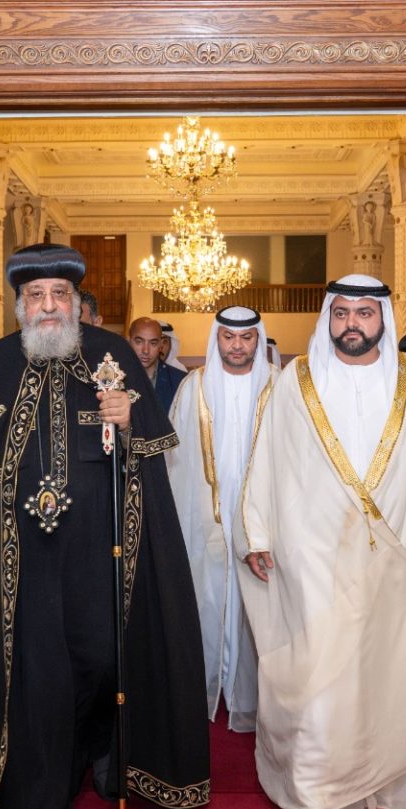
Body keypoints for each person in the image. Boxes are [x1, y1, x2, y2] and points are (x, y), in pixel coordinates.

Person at [0, 243, 210, 809]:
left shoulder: (113, 355)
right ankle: (26, 808)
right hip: (24, 560)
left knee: (102, 656)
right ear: (19, 305)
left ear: (76, 301)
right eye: (36, 295)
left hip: (102, 549)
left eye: (59, 295)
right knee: (34, 672)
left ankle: (107, 755)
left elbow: (149, 460)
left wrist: (129, 418)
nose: (48, 306)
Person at [237, 274, 406, 809]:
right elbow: (266, 459)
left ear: (383, 318)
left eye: (364, 313)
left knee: (381, 670)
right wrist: (257, 534)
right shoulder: (296, 382)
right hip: (311, 549)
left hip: (397, 550)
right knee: (320, 669)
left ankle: (373, 783)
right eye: (341, 313)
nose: (352, 324)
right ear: (328, 317)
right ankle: (317, 794)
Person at [165, 306, 272, 734]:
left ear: (257, 340)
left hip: (261, 519)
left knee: (256, 604)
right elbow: (175, 459)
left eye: (246, 337)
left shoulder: (278, 385)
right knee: (206, 597)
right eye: (228, 337)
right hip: (205, 516)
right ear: (217, 339)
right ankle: (204, 688)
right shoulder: (194, 386)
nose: (237, 346)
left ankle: (250, 698)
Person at [128, 316, 186, 412]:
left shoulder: (180, 381)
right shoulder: (116, 378)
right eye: (139, 342)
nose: (146, 350)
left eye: (153, 343)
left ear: (160, 345)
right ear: (129, 341)